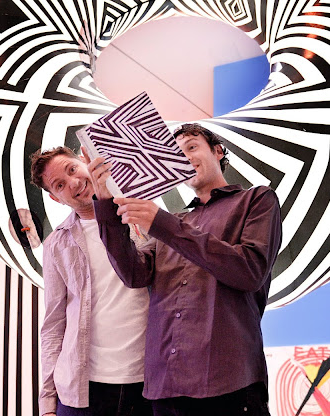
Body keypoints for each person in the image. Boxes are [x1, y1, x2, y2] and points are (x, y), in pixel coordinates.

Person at [86, 123, 282, 416]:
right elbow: (134, 274)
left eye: (192, 147)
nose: (186, 158)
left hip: (229, 382)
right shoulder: (173, 221)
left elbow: (249, 271)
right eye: (177, 154)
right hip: (165, 385)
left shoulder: (256, 200)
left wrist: (164, 224)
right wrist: (105, 202)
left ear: (218, 152)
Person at [30, 147, 152, 416]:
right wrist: (48, 402)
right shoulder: (56, 244)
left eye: (72, 169)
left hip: (150, 380)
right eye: (60, 185)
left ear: (84, 162)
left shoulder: (142, 216)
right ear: (56, 198)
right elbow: (53, 324)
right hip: (84, 388)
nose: (73, 183)